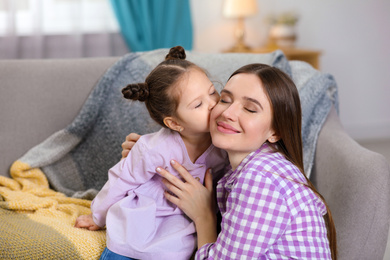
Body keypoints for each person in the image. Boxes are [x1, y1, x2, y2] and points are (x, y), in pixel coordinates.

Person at [123, 63, 337, 259]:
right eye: (224, 99)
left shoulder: (260, 180)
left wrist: (204, 217)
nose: (228, 112)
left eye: (250, 109)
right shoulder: (245, 163)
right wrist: (150, 152)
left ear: (275, 131)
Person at [74, 46, 227, 260]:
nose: (213, 104)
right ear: (174, 123)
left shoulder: (224, 143)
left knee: (177, 252)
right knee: (125, 246)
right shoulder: (154, 148)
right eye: (198, 104)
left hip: (187, 219)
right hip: (147, 216)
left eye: (213, 92)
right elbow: (122, 180)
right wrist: (98, 216)